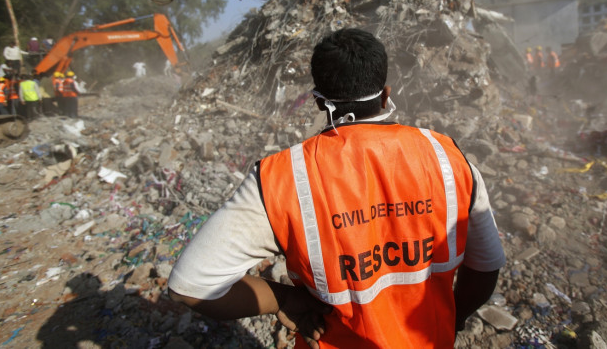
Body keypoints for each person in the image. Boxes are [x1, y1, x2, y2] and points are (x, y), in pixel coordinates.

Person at [168, 28, 505, 348]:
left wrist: (283, 298)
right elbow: (486, 265)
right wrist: (453, 317)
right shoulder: (448, 157)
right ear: (385, 94)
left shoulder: (282, 177)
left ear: (319, 101)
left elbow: (189, 286)